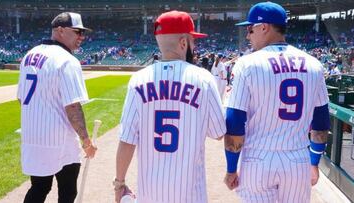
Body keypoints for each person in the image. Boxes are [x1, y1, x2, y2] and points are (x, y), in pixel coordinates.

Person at [114, 10, 226, 203]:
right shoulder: (203, 79)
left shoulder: (138, 80)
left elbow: (127, 140)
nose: (195, 46)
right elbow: (218, 133)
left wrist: (119, 183)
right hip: (191, 195)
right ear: (183, 43)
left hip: (150, 194)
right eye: (193, 42)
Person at [223, 2, 330, 203]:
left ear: (264, 27)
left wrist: (231, 168)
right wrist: (314, 162)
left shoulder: (248, 63)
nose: (248, 35)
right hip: (297, 160)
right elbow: (321, 122)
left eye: (250, 29)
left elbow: (235, 122)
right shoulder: (314, 64)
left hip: (258, 159)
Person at [17, 12, 97, 203]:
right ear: (60, 31)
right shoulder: (67, 60)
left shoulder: (30, 54)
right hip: (59, 139)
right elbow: (73, 107)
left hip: (31, 135)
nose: (81, 37)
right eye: (77, 31)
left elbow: (20, 99)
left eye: (82, 33)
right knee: (68, 191)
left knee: (39, 187)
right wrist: (86, 140)